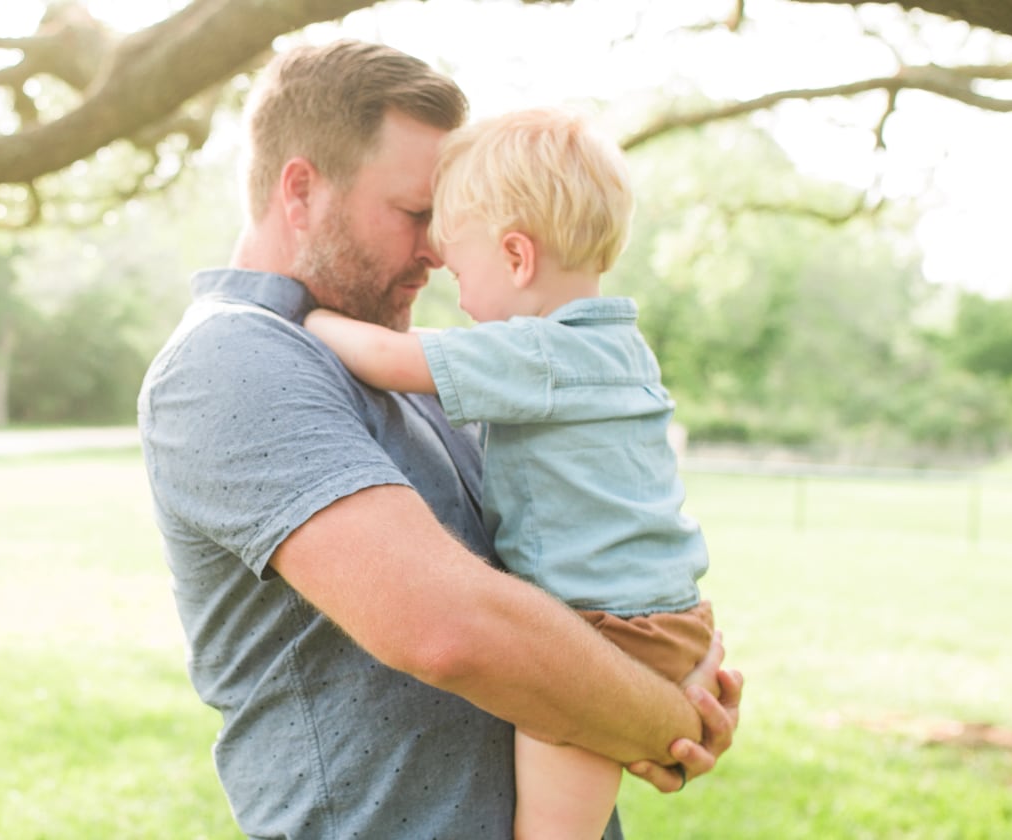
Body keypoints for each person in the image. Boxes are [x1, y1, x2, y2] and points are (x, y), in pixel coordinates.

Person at [137, 40, 742, 840]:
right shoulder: (233, 359)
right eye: (416, 213)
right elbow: (451, 631)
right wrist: (667, 716)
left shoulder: (409, 357)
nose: (437, 248)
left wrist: (662, 664)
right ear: (301, 191)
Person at [304, 107, 716, 840]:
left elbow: (393, 359)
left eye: (462, 272)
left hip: (601, 633)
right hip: (667, 616)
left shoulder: (538, 356)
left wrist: (302, 318)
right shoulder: (621, 349)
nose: (456, 296)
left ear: (518, 257)